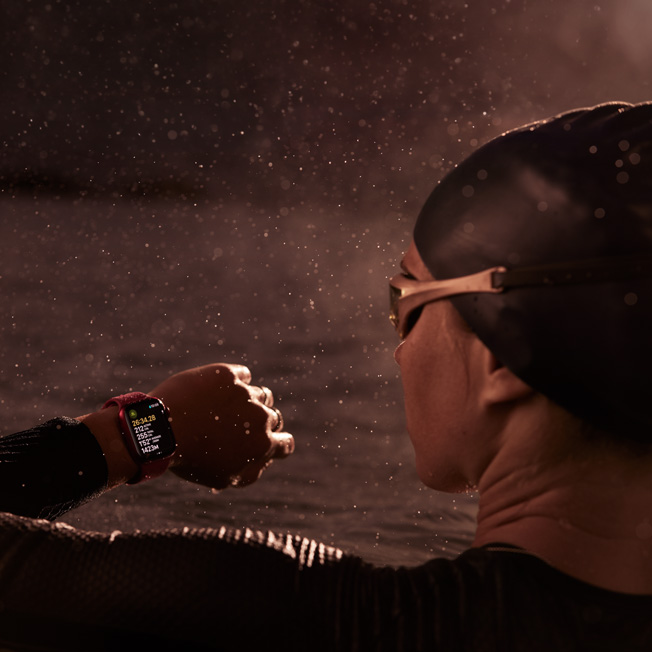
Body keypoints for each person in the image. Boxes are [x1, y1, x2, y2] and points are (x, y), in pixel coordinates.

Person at [1, 101, 652, 651]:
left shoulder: (301, 616)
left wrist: (135, 433)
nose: (398, 348)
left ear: (505, 359)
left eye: (407, 301)